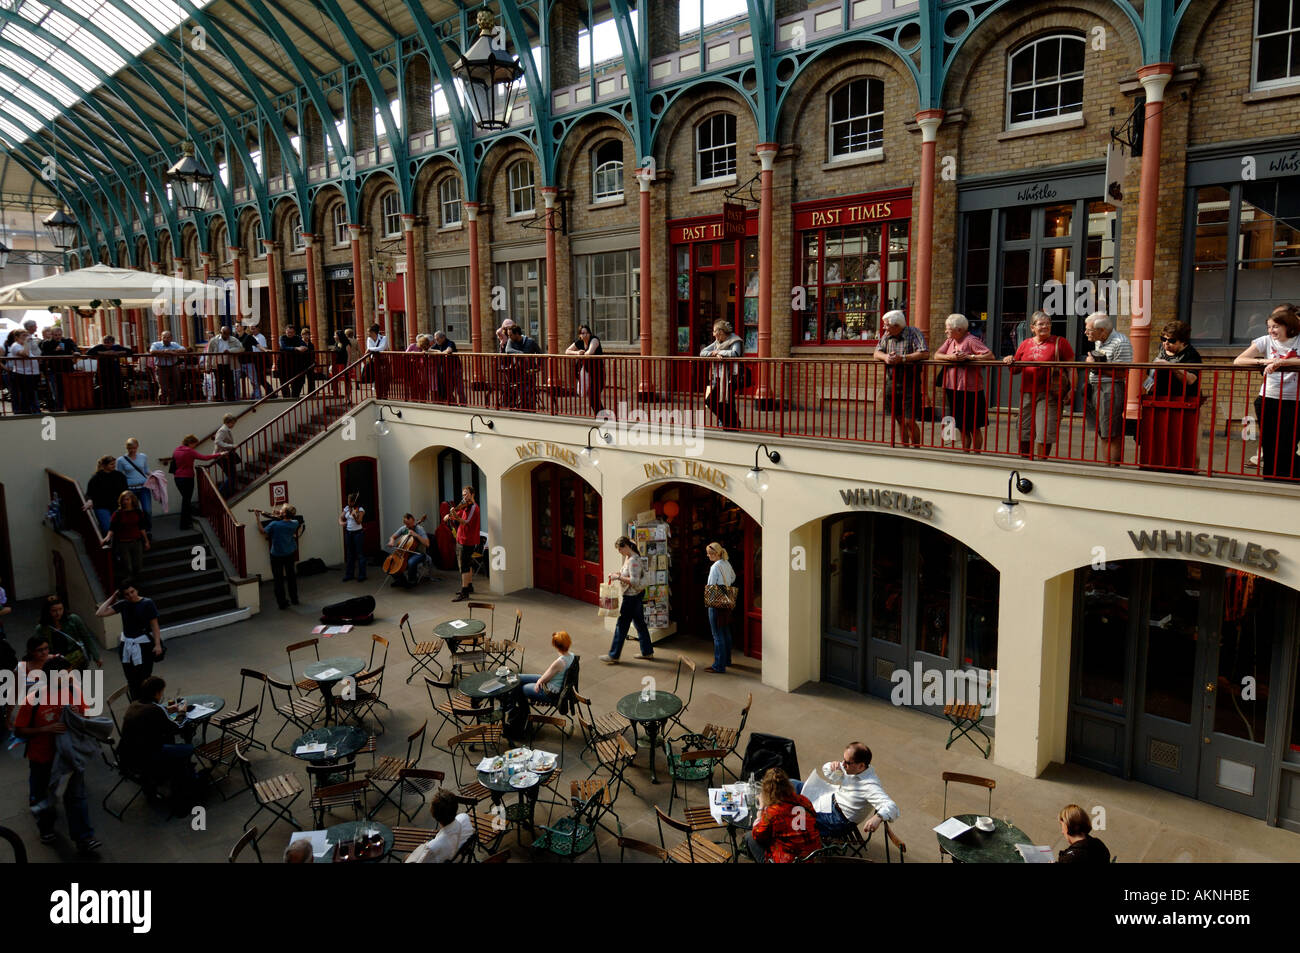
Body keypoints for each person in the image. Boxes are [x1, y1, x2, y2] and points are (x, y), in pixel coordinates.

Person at [12, 659, 100, 852]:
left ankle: (84, 838)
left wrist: (79, 715)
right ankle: (46, 829)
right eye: (67, 673)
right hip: (43, 759)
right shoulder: (32, 700)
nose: (71, 677)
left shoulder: (73, 691)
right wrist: (45, 729)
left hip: (70, 756)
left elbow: (86, 718)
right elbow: (19, 731)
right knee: (44, 797)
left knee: (76, 797)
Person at [1234, 304, 1300, 481]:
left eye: (1276, 326)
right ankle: (1270, 478)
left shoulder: (1298, 340)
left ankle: (1288, 477)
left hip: (1295, 400)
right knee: (1269, 442)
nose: (1271, 330)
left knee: (1289, 442)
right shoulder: (1265, 340)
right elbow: (1239, 361)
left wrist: (1281, 363)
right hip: (1268, 398)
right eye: (1269, 327)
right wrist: (1266, 360)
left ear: (1288, 326)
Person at [117, 675, 198, 816]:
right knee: (188, 748)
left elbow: (153, 715)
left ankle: (160, 782)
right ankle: (183, 785)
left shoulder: (134, 705)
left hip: (128, 755)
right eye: (162, 692)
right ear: (156, 693)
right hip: (147, 758)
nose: (162, 695)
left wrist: (167, 709)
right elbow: (177, 727)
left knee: (169, 742)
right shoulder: (154, 710)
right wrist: (181, 711)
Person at [1004, 311, 1075, 460]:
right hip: (1027, 392)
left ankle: (1041, 462)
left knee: (1045, 429)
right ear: (1032, 327)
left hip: (1050, 392)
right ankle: (1025, 460)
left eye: (1048, 323)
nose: (1045, 326)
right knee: (1025, 427)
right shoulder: (1025, 344)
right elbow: (1016, 370)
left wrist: (1072, 389)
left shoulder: (1060, 342)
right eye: (1041, 324)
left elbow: (1071, 367)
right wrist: (1010, 359)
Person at [792, 741, 899, 838]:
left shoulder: (870, 786)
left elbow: (891, 806)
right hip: (829, 799)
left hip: (836, 820)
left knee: (792, 813)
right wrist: (832, 766)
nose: (843, 764)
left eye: (847, 762)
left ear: (861, 766)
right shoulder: (853, 768)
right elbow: (828, 771)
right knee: (790, 784)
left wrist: (878, 817)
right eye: (843, 759)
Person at [934, 313, 994, 452]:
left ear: (959, 329)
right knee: (961, 424)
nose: (945, 331)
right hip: (952, 387)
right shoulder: (950, 341)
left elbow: (989, 355)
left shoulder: (971, 340)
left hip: (971, 389)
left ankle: (976, 453)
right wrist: (951, 357)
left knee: (974, 425)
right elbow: (937, 355)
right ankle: (965, 452)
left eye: (948, 328)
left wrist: (970, 357)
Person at [96, 586, 162, 701]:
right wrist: (112, 597)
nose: (131, 595)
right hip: (126, 646)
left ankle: (148, 703)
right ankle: (136, 704)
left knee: (145, 677)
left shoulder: (147, 603)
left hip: (143, 645)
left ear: (137, 590)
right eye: (127, 594)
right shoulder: (123, 604)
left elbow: (154, 625)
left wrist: (157, 644)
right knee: (131, 679)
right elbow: (100, 613)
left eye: (132, 592)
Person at [874, 309, 928, 447]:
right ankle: (904, 446)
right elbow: (876, 352)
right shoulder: (887, 335)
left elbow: (924, 353)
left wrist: (903, 358)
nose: (884, 328)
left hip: (910, 381)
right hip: (892, 381)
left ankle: (916, 448)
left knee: (909, 420)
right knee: (898, 418)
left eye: (886, 325)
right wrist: (886, 357)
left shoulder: (913, 332)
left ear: (896, 326)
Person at [1083, 312, 1132, 465]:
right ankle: (1107, 466)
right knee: (1103, 431)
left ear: (1102, 330)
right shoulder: (1100, 341)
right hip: (1096, 387)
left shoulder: (1120, 342)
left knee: (1111, 432)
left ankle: (1112, 467)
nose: (1085, 333)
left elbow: (1123, 372)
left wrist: (1095, 366)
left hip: (1110, 389)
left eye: (1089, 330)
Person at [746, 767, 821, 863]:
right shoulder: (803, 800)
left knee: (750, 837)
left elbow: (757, 834)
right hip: (812, 856)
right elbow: (814, 818)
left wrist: (761, 809)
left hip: (790, 859)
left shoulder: (773, 811)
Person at [600, 536, 654, 664]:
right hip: (635, 596)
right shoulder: (628, 558)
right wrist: (617, 575)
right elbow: (628, 575)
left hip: (631, 597)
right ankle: (647, 652)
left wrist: (617, 578)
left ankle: (614, 655)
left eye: (620, 549)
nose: (619, 552)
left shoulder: (633, 561)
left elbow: (634, 581)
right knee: (640, 623)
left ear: (626, 546)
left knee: (622, 625)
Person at [405, 789, 474, 863]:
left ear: (433, 815)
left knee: (407, 857)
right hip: (455, 857)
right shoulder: (464, 818)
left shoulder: (432, 847)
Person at [254, 505, 303, 609]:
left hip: (277, 555)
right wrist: (278, 514)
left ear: (284, 513)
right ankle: (294, 599)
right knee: (291, 577)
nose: (279, 510)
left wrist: (258, 517)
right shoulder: (295, 523)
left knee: (278, 580)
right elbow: (285, 521)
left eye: (282, 510)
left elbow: (262, 531)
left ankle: (282, 603)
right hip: (290, 554)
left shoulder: (274, 524)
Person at [36, 594, 101, 669]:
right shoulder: (41, 628)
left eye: (60, 609)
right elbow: (37, 648)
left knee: (78, 679)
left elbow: (86, 637)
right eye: (54, 611)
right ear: (47, 611)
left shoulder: (73, 620)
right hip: (57, 663)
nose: (58, 613)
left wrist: (96, 657)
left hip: (76, 659)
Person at [171, 435, 222, 530]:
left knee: (185, 499)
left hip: (177, 478)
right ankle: (184, 524)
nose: (195, 446)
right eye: (195, 444)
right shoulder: (190, 451)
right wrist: (219, 454)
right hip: (187, 478)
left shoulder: (176, 450)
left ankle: (187, 521)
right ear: (190, 443)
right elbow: (205, 458)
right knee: (186, 500)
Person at [700, 319, 744, 430]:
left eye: (715, 331)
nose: (713, 334)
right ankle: (731, 423)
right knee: (715, 401)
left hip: (732, 376)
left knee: (725, 402)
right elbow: (702, 353)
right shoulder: (717, 342)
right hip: (720, 377)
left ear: (721, 332)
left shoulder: (735, 340)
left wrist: (719, 352)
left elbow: (735, 353)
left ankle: (731, 424)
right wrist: (713, 354)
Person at [102, 491, 150, 585]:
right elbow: (112, 528)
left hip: (136, 542)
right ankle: (130, 583)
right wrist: (107, 538)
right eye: (123, 500)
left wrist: (146, 541)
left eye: (127, 499)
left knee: (138, 564)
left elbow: (142, 527)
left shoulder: (138, 512)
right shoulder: (118, 513)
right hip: (123, 543)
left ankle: (134, 582)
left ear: (132, 500)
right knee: (127, 566)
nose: (125, 502)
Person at [704, 541, 736, 674]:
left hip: (716, 602)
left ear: (714, 554)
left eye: (708, 553)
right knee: (725, 630)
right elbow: (733, 577)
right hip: (727, 600)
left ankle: (718, 665)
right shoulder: (726, 563)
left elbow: (711, 585)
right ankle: (727, 660)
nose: (707, 556)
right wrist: (725, 583)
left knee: (717, 635)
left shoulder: (715, 567)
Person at [444, 485, 480, 602]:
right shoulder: (466, 507)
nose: (464, 497)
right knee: (467, 564)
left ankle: (464, 592)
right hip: (462, 539)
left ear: (472, 494)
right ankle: (469, 586)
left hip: (467, 540)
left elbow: (464, 522)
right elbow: (458, 515)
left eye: (466, 494)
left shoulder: (473, 507)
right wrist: (449, 515)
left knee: (464, 566)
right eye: (463, 495)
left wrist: (453, 514)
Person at [519, 631, 576, 703]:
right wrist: (540, 680)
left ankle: (520, 710)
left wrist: (539, 681)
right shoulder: (573, 656)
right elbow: (547, 675)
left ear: (555, 645)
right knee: (519, 677)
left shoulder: (559, 662)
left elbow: (545, 679)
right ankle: (517, 709)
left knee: (523, 688)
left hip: (551, 693)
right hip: (558, 685)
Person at [566, 324, 604, 415]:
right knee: (591, 396)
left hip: (597, 371)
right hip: (587, 371)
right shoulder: (579, 342)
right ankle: (601, 415)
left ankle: (602, 415)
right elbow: (567, 351)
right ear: (580, 335)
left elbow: (589, 352)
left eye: (587, 333)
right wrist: (577, 353)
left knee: (593, 394)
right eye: (582, 333)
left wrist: (582, 354)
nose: (585, 335)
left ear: (590, 333)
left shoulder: (594, 340)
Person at [84, 455, 127, 535]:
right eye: (111, 464)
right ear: (104, 465)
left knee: (120, 528)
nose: (114, 466)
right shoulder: (96, 477)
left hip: (117, 506)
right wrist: (89, 501)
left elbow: (125, 490)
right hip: (101, 506)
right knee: (107, 528)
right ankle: (109, 544)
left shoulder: (120, 476)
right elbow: (89, 493)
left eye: (114, 464)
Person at [39, 325, 79, 411]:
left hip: (68, 368)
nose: (58, 337)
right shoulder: (46, 343)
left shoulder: (67, 341)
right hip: (55, 370)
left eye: (59, 335)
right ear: (52, 335)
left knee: (69, 389)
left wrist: (76, 352)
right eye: (55, 335)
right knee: (57, 391)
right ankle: (59, 408)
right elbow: (44, 355)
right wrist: (55, 351)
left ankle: (70, 406)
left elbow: (75, 348)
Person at [386, 513, 430, 588]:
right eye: (406, 524)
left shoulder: (419, 529)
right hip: (405, 552)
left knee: (411, 562)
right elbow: (393, 537)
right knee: (391, 562)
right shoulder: (404, 528)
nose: (407, 526)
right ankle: (401, 580)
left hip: (419, 553)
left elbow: (427, 543)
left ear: (413, 521)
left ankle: (412, 580)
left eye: (409, 524)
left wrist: (416, 535)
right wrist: (391, 541)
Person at [117, 437, 154, 528]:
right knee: (132, 511)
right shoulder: (121, 460)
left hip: (143, 488)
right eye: (130, 448)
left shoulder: (143, 457)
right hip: (130, 490)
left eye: (134, 448)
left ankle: (148, 530)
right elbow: (120, 475)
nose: (132, 450)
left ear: (137, 446)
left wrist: (155, 475)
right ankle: (137, 531)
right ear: (126, 448)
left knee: (147, 510)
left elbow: (146, 470)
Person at [86, 334, 130, 409]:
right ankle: (103, 405)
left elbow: (130, 351)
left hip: (115, 372)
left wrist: (117, 353)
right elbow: (88, 353)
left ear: (112, 343)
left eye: (109, 343)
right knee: (103, 388)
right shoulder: (99, 347)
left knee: (117, 388)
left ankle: (117, 404)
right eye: (105, 342)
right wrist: (104, 353)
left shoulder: (117, 347)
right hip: (102, 372)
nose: (106, 345)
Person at [205, 326, 244, 402]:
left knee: (230, 382)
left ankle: (230, 399)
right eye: (225, 334)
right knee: (218, 382)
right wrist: (207, 367)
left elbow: (241, 348)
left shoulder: (233, 339)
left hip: (229, 364)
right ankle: (219, 399)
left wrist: (230, 351)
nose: (226, 336)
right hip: (217, 364)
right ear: (221, 332)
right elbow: (208, 354)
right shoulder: (213, 341)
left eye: (228, 334)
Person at [6, 328, 41, 414]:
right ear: (17, 337)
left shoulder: (25, 345)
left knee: (32, 393)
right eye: (23, 335)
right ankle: (25, 412)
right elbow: (25, 354)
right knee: (25, 395)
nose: (26, 337)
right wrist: (26, 343)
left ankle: (34, 410)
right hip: (22, 374)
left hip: (31, 374)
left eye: (26, 335)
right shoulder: (16, 346)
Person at [149, 330, 188, 404]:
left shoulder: (174, 344)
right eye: (164, 337)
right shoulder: (156, 344)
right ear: (161, 337)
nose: (166, 339)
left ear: (171, 338)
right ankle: (162, 402)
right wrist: (164, 352)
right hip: (161, 367)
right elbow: (152, 352)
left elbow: (184, 350)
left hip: (173, 366)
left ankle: (172, 401)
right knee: (163, 386)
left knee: (176, 384)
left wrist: (171, 351)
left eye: (168, 337)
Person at [339, 493, 367, 583]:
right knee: (350, 554)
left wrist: (355, 516)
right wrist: (341, 523)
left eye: (349, 501)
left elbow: (359, 522)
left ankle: (362, 575)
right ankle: (349, 574)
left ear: (353, 501)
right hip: (349, 533)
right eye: (348, 501)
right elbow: (341, 517)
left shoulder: (360, 509)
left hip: (358, 533)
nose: (348, 502)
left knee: (360, 554)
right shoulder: (347, 508)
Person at [237, 322, 267, 399]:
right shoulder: (234, 337)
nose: (236, 327)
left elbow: (258, 345)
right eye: (235, 326)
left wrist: (265, 350)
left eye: (238, 326)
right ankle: (236, 397)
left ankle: (257, 397)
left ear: (243, 327)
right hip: (238, 363)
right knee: (235, 381)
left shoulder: (249, 337)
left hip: (249, 362)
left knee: (254, 381)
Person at [278, 324, 310, 398]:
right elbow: (283, 347)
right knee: (284, 382)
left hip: (296, 364)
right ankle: (286, 398)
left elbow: (304, 346)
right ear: (285, 331)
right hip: (284, 364)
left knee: (299, 381)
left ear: (294, 333)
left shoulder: (297, 338)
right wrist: (296, 348)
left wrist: (304, 347)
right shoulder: (282, 338)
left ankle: (295, 396)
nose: (289, 334)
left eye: (291, 332)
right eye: (288, 332)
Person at [431, 330, 463, 403]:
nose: (436, 341)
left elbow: (449, 350)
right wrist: (439, 352)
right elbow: (429, 350)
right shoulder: (436, 345)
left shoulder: (450, 343)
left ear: (443, 338)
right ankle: (453, 403)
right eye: (435, 339)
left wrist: (440, 353)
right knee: (448, 390)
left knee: (459, 389)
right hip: (447, 371)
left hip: (456, 369)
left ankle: (463, 404)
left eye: (438, 339)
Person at [214, 413, 240, 496]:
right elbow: (217, 442)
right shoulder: (223, 430)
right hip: (221, 456)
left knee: (232, 475)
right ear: (229, 422)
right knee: (231, 476)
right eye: (233, 423)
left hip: (224, 455)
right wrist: (231, 446)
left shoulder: (225, 429)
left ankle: (228, 492)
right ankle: (220, 494)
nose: (234, 425)